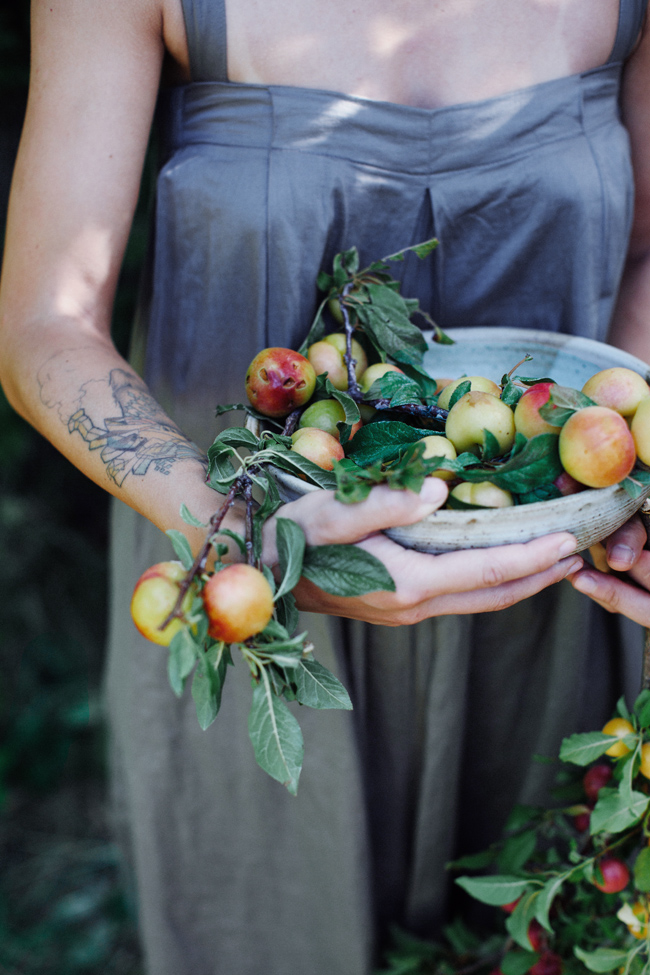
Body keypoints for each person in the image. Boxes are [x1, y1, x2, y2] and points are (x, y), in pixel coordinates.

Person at [1, 1, 650, 972]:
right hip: (248, 583)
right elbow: (42, 327)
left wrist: (619, 461)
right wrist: (238, 534)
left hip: (556, 580)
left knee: (545, 923)